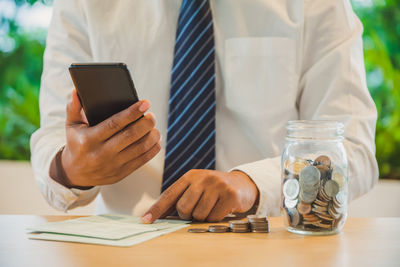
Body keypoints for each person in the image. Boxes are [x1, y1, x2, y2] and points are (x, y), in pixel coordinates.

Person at [30, 0, 378, 223]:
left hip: (267, 245)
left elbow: (354, 151)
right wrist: (71, 167)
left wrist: (253, 186)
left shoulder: (319, 5)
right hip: (125, 249)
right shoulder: (81, 4)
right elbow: (51, 139)